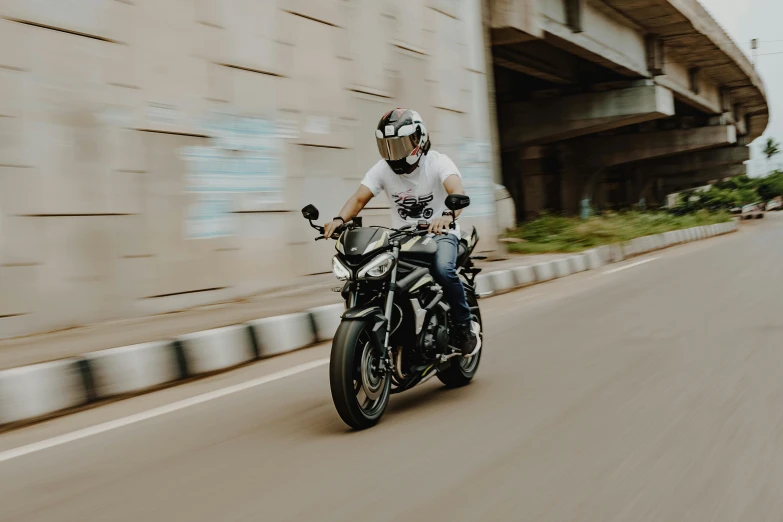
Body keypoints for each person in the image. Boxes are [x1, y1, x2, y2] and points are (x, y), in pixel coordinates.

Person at [323, 108, 480, 357]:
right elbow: (359, 198)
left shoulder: (438, 162)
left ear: (418, 140)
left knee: (443, 270)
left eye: (398, 145)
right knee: (370, 277)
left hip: (440, 234)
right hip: (402, 238)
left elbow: (455, 189)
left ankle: (464, 326)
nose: (392, 154)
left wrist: (447, 217)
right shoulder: (382, 169)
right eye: (387, 146)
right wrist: (339, 219)